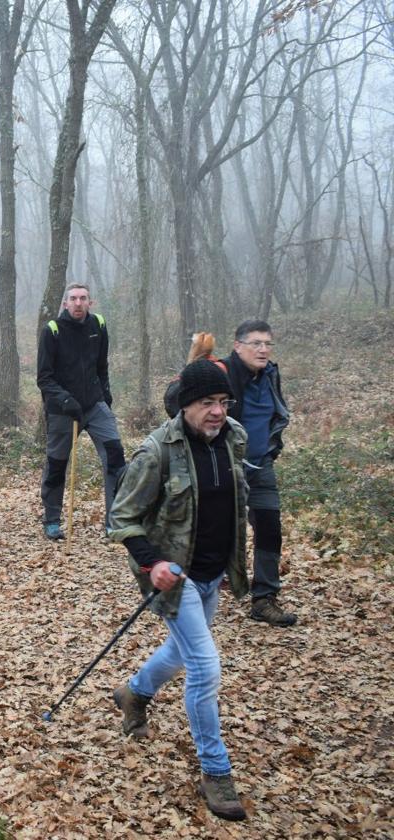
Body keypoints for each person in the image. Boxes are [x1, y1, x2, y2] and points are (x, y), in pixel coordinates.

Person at [108, 360, 251, 822]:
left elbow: (231, 504)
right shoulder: (156, 452)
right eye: (207, 403)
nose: (217, 412)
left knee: (181, 650)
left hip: (213, 572)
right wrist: (153, 562)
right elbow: (122, 519)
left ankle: (134, 692)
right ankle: (216, 769)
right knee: (206, 669)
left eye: (223, 402)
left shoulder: (234, 440)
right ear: (186, 404)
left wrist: (232, 561)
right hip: (175, 577)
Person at [36, 283, 125, 540]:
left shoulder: (98, 325)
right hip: (63, 411)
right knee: (56, 464)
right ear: (65, 303)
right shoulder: (52, 331)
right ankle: (52, 519)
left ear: (90, 302)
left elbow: (102, 366)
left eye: (83, 298)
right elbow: (44, 378)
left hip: (95, 406)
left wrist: (105, 397)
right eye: (73, 298)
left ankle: (115, 522)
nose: (78, 303)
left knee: (116, 458)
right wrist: (65, 401)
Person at [225, 319, 296, 627]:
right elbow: (177, 403)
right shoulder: (221, 373)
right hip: (226, 466)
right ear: (238, 346)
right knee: (220, 529)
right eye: (256, 343)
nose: (264, 349)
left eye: (268, 343)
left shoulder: (270, 375)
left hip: (261, 466)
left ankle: (264, 598)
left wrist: (270, 450)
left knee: (269, 527)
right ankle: (202, 585)